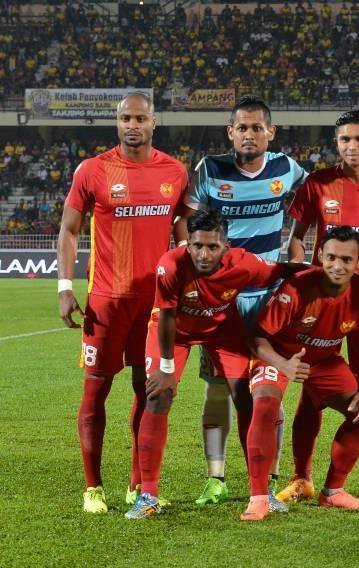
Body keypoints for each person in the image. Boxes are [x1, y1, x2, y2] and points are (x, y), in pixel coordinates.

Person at [57, 92, 188, 513]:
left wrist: (186, 279)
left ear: (154, 123)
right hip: (106, 302)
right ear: (117, 122)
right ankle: (92, 487)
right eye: (126, 118)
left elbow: (184, 228)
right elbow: (69, 229)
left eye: (140, 118)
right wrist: (64, 286)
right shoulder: (92, 170)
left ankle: (138, 484)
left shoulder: (175, 171)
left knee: (146, 391)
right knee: (95, 390)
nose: (133, 125)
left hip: (155, 305)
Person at [182, 96, 307, 511]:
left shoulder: (286, 168)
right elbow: (187, 221)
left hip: (270, 300)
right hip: (223, 302)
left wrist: (297, 244)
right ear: (230, 132)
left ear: (270, 132)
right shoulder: (209, 170)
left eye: (257, 128)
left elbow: (319, 196)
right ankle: (215, 478)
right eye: (242, 128)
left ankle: (269, 480)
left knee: (269, 393)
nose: (249, 134)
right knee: (217, 390)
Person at [124, 209, 288, 519]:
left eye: (212, 247)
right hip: (173, 332)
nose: (203, 254)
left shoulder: (244, 263)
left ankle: (261, 492)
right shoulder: (170, 265)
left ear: (226, 246)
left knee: (246, 399)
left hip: (223, 329)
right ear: (187, 243)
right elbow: (166, 317)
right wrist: (167, 369)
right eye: (197, 245)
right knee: (157, 396)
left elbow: (282, 271)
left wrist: (321, 275)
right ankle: (148, 496)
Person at [280, 110, 359, 504]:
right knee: (312, 392)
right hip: (323, 304)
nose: (352, 146)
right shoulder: (319, 183)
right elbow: (297, 236)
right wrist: (301, 271)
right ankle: (302, 477)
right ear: (336, 143)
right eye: (345, 139)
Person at [249, 226, 359, 514]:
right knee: (265, 404)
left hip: (323, 361)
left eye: (346, 260)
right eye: (331, 257)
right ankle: (259, 498)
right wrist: (283, 364)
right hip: (278, 356)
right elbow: (257, 338)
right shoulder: (296, 289)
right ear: (320, 254)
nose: (337, 266)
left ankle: (333, 491)